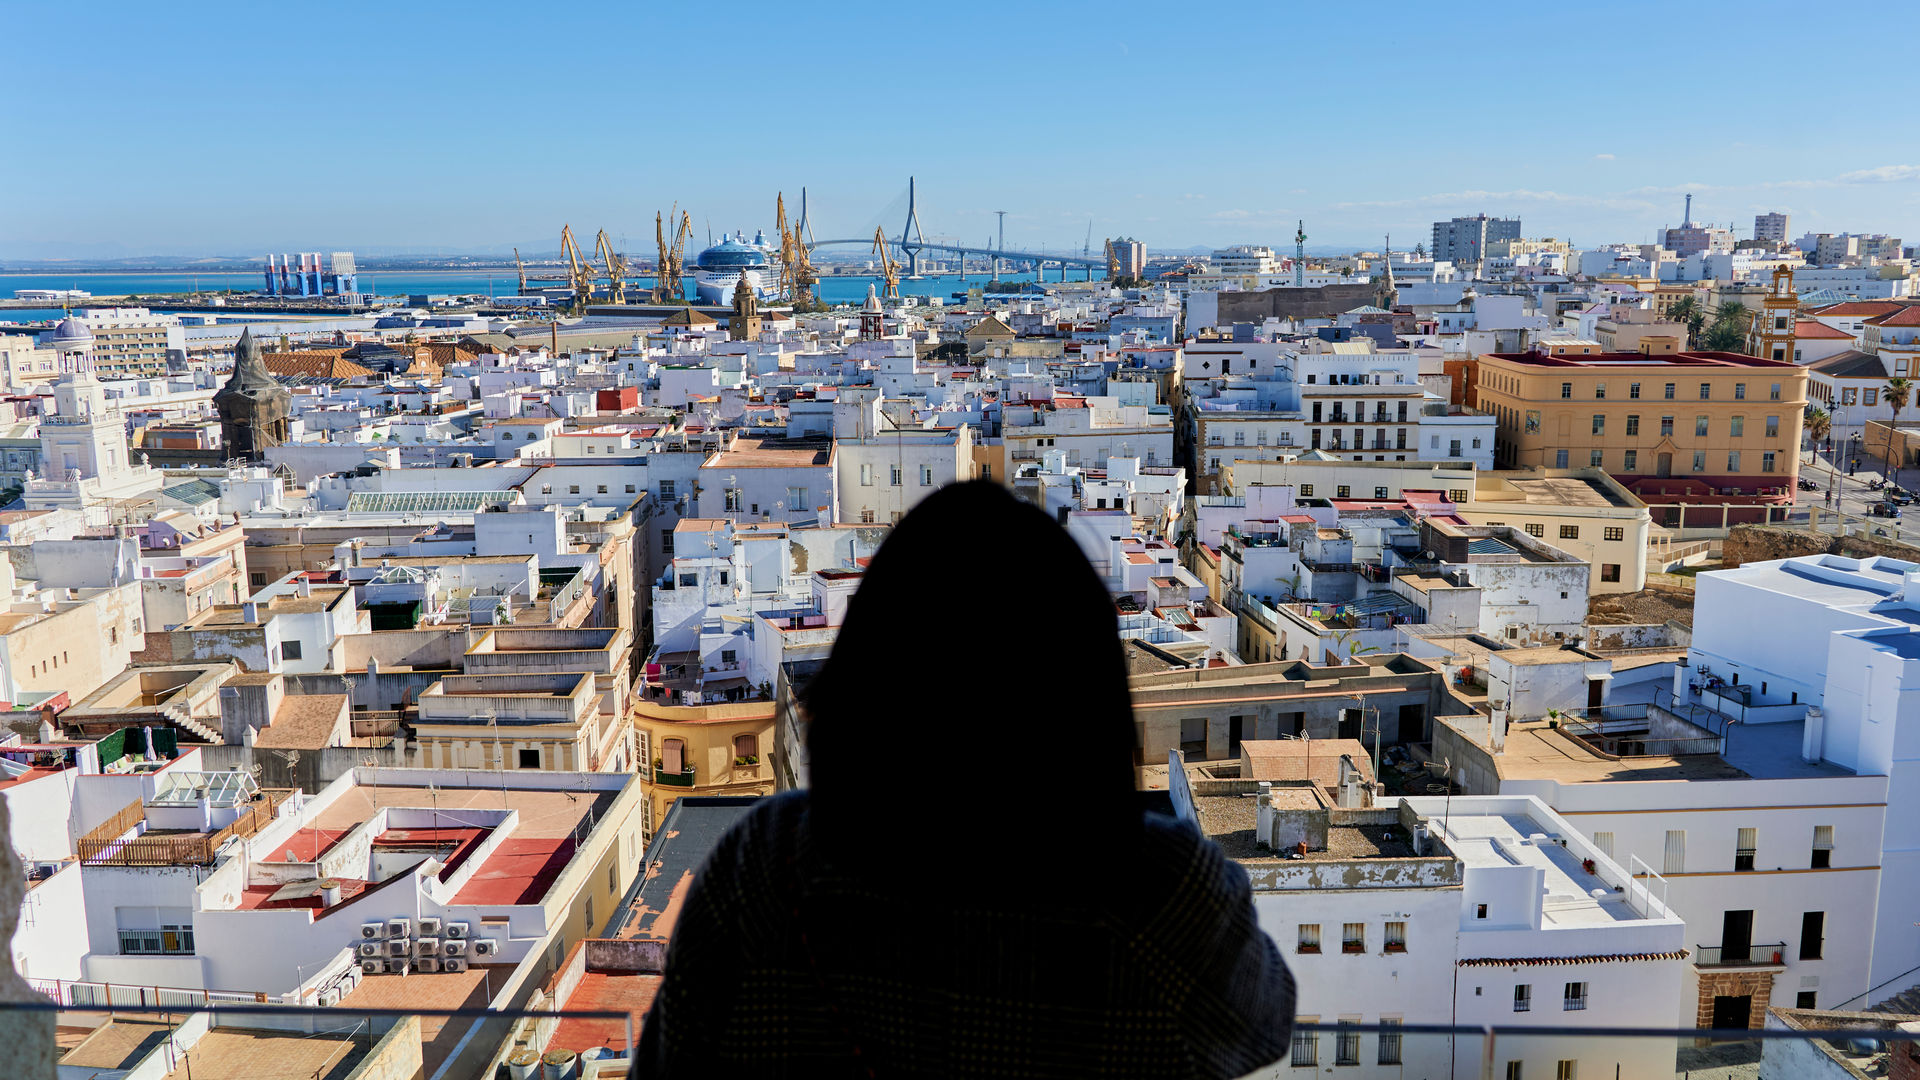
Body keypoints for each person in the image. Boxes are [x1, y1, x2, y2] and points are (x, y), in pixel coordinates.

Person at [638, 481, 1294, 1078]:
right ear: (1087, 701)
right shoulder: (1157, 901)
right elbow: (1265, 1021)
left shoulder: (764, 870)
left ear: (867, 677)